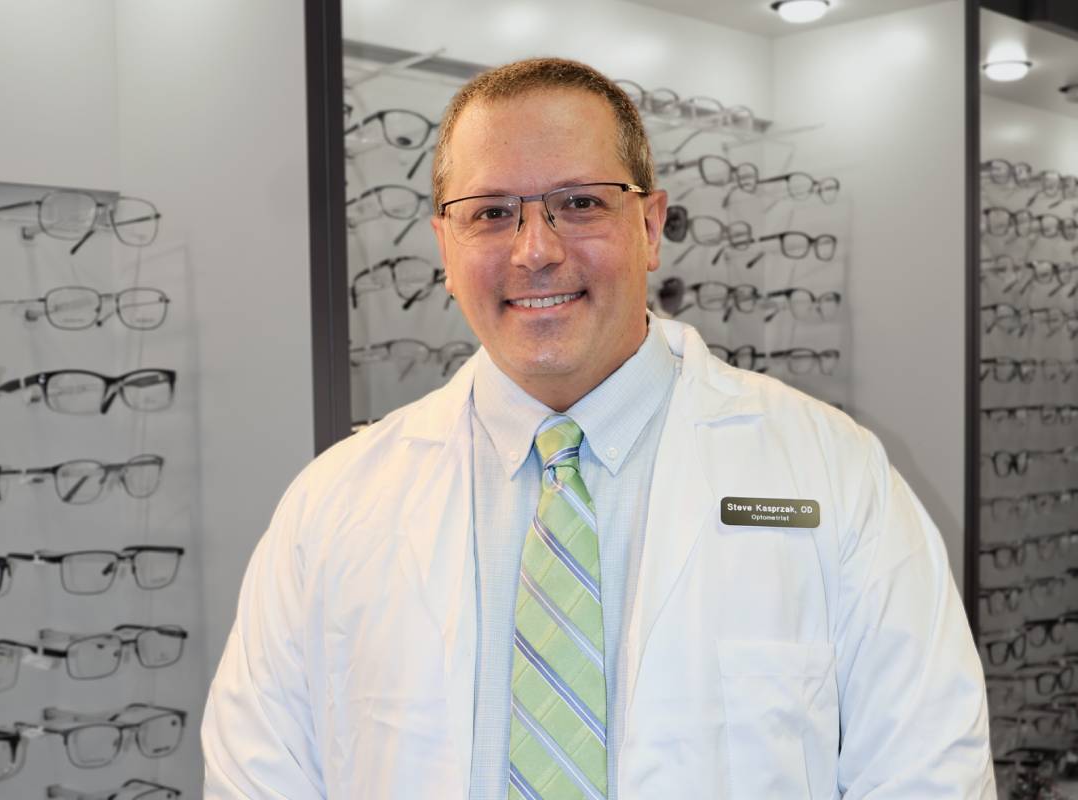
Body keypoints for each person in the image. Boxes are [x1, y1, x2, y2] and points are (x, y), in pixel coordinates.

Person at [202, 57, 994, 798]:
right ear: (446, 246)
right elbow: (258, 776)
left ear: (650, 227)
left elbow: (927, 772)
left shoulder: (836, 477)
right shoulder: (333, 504)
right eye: (491, 213)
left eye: (580, 203)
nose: (535, 251)